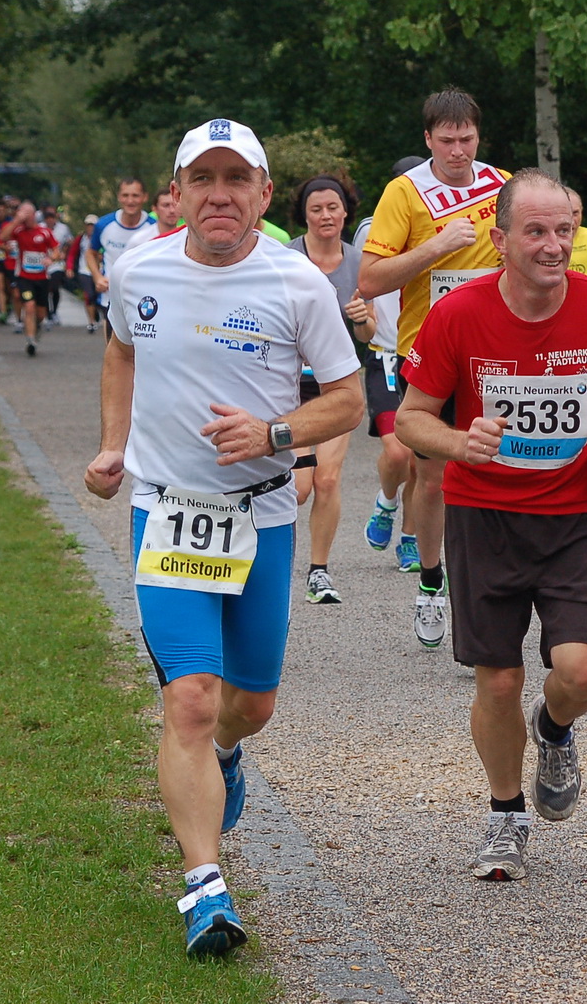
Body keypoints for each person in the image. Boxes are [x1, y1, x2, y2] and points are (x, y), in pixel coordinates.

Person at [83, 117, 363, 957]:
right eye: (201, 179)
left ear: (263, 194)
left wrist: (275, 433)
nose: (218, 195)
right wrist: (111, 442)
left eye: (235, 180)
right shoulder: (139, 270)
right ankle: (205, 888)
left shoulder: (296, 282)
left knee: (249, 705)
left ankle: (228, 755)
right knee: (190, 700)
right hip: (166, 511)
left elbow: (347, 399)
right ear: (177, 192)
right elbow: (119, 353)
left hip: (264, 514)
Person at [395, 168, 587, 882]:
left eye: (563, 229)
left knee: (582, 668)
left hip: (574, 516)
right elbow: (413, 417)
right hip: (486, 516)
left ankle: (555, 727)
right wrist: (458, 441)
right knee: (498, 681)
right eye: (535, 231)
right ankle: (506, 815)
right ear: (500, 239)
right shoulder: (459, 314)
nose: (553, 244)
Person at [358, 88, 510, 650]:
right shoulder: (405, 192)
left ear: (478, 136)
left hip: (495, 351)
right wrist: (438, 246)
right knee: (433, 475)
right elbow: (371, 280)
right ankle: (429, 582)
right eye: (445, 141)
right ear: (427, 140)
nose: (457, 151)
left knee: (499, 466)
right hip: (428, 352)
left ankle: (494, 585)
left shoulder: (503, 185)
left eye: (466, 139)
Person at [288, 174, 375, 605]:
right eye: (316, 209)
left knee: (327, 477)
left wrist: (361, 317)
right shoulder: (286, 259)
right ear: (304, 215)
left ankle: (318, 572)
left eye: (333, 208)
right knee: (297, 488)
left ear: (346, 211)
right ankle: (266, 559)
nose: (326, 216)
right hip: (288, 388)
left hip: (337, 387)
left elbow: (369, 333)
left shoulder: (360, 262)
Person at [359, 157, 430, 581]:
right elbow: (366, 281)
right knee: (398, 452)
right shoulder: (374, 228)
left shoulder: (447, 221)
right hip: (386, 351)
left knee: (424, 461)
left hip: (426, 353)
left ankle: (409, 537)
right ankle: (387, 500)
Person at [89, 178, 160, 329]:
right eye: (125, 195)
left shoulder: (153, 227)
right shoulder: (104, 224)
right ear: (119, 197)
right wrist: (97, 277)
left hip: (142, 298)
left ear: (144, 197)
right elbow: (90, 252)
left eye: (135, 195)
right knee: (112, 349)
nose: (130, 201)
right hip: (110, 296)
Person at [8, 201, 57, 357]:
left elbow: (56, 250)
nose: (25, 217)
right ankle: (30, 341)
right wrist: (16, 221)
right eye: (22, 213)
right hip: (24, 277)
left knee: (41, 313)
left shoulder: (44, 232)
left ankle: (36, 328)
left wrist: (51, 259)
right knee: (29, 306)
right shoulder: (18, 231)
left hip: (42, 278)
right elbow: (2, 237)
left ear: (34, 214)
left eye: (27, 213)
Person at [74, 214, 102, 331]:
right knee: (89, 295)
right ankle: (91, 322)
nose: (91, 228)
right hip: (84, 270)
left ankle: (95, 313)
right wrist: (69, 268)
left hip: (99, 271)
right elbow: (73, 253)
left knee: (96, 297)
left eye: (93, 225)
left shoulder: (102, 238)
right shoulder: (81, 238)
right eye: (89, 225)